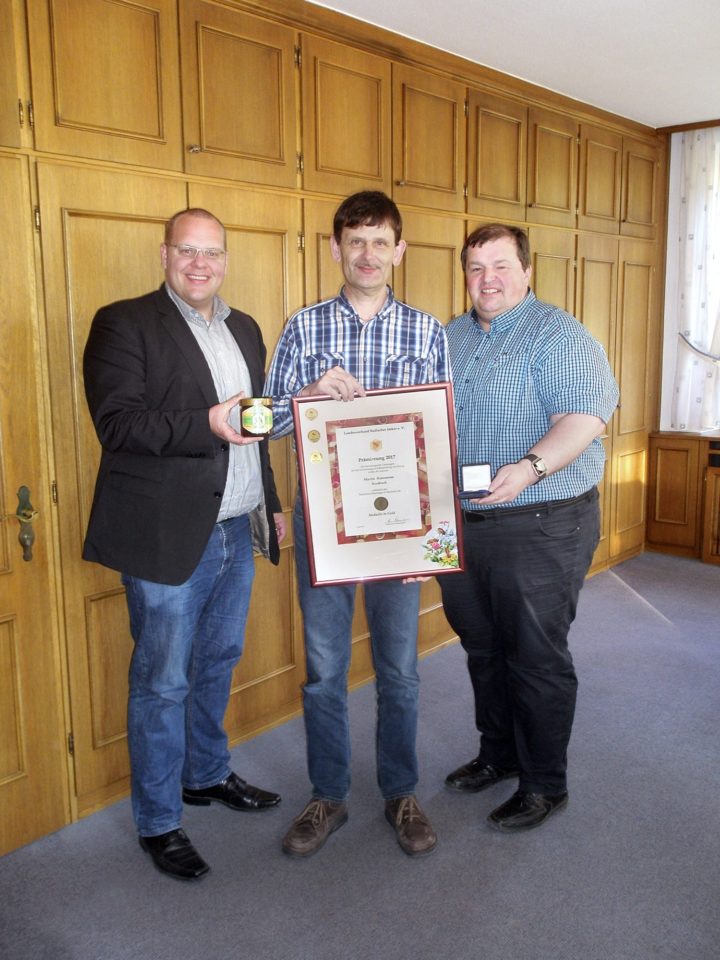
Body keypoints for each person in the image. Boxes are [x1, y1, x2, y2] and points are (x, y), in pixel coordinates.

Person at [83, 208, 287, 881]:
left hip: (234, 527)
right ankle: (159, 821)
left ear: (226, 259)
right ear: (165, 253)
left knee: (218, 661)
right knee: (162, 682)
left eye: (213, 252)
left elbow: (254, 428)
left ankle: (205, 773)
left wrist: (270, 504)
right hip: (167, 536)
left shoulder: (245, 327)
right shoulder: (123, 323)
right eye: (188, 251)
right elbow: (118, 425)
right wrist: (207, 423)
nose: (201, 264)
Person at [264, 191, 450, 858]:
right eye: (355, 241)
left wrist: (432, 540)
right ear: (335, 247)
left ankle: (401, 792)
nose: (367, 254)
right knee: (323, 670)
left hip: (402, 530)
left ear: (399, 250)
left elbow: (442, 433)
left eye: (380, 241)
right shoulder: (303, 328)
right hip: (325, 526)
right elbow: (269, 422)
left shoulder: (427, 331)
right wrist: (307, 396)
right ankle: (329, 795)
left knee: (399, 669)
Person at [440, 223, 619, 832]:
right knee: (483, 648)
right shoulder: (451, 337)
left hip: (541, 521)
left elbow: (586, 417)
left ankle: (545, 784)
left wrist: (531, 467)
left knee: (535, 656)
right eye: (475, 267)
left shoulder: (558, 334)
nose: (486, 279)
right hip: (463, 522)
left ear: (526, 271)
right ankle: (499, 755)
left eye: (500, 265)